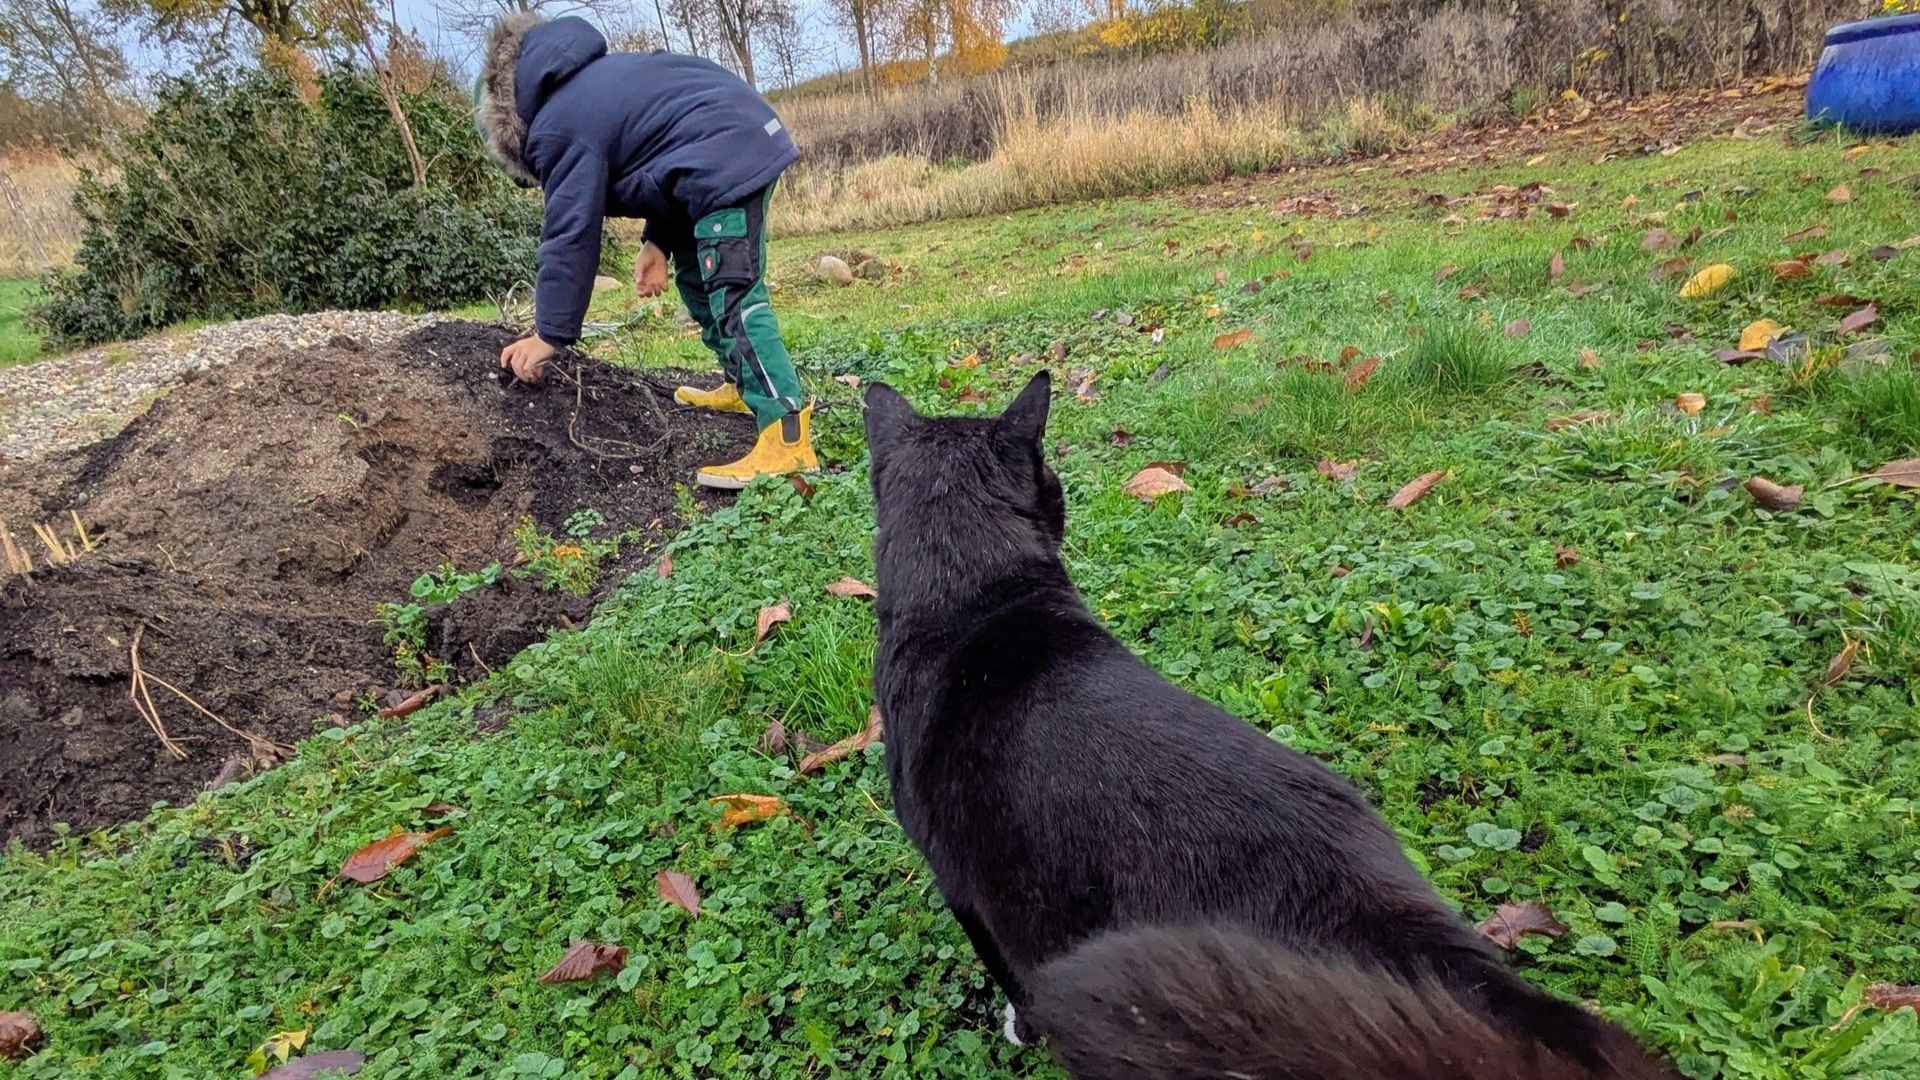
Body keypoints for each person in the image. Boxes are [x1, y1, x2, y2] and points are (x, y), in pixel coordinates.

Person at [475, 13, 815, 489]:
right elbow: (668, 149)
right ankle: (745, 386)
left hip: (730, 155)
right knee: (698, 283)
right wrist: (657, 240)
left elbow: (570, 233)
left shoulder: (557, 124)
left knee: (733, 293)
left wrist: (549, 333)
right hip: (720, 150)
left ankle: (787, 435)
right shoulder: (594, 88)